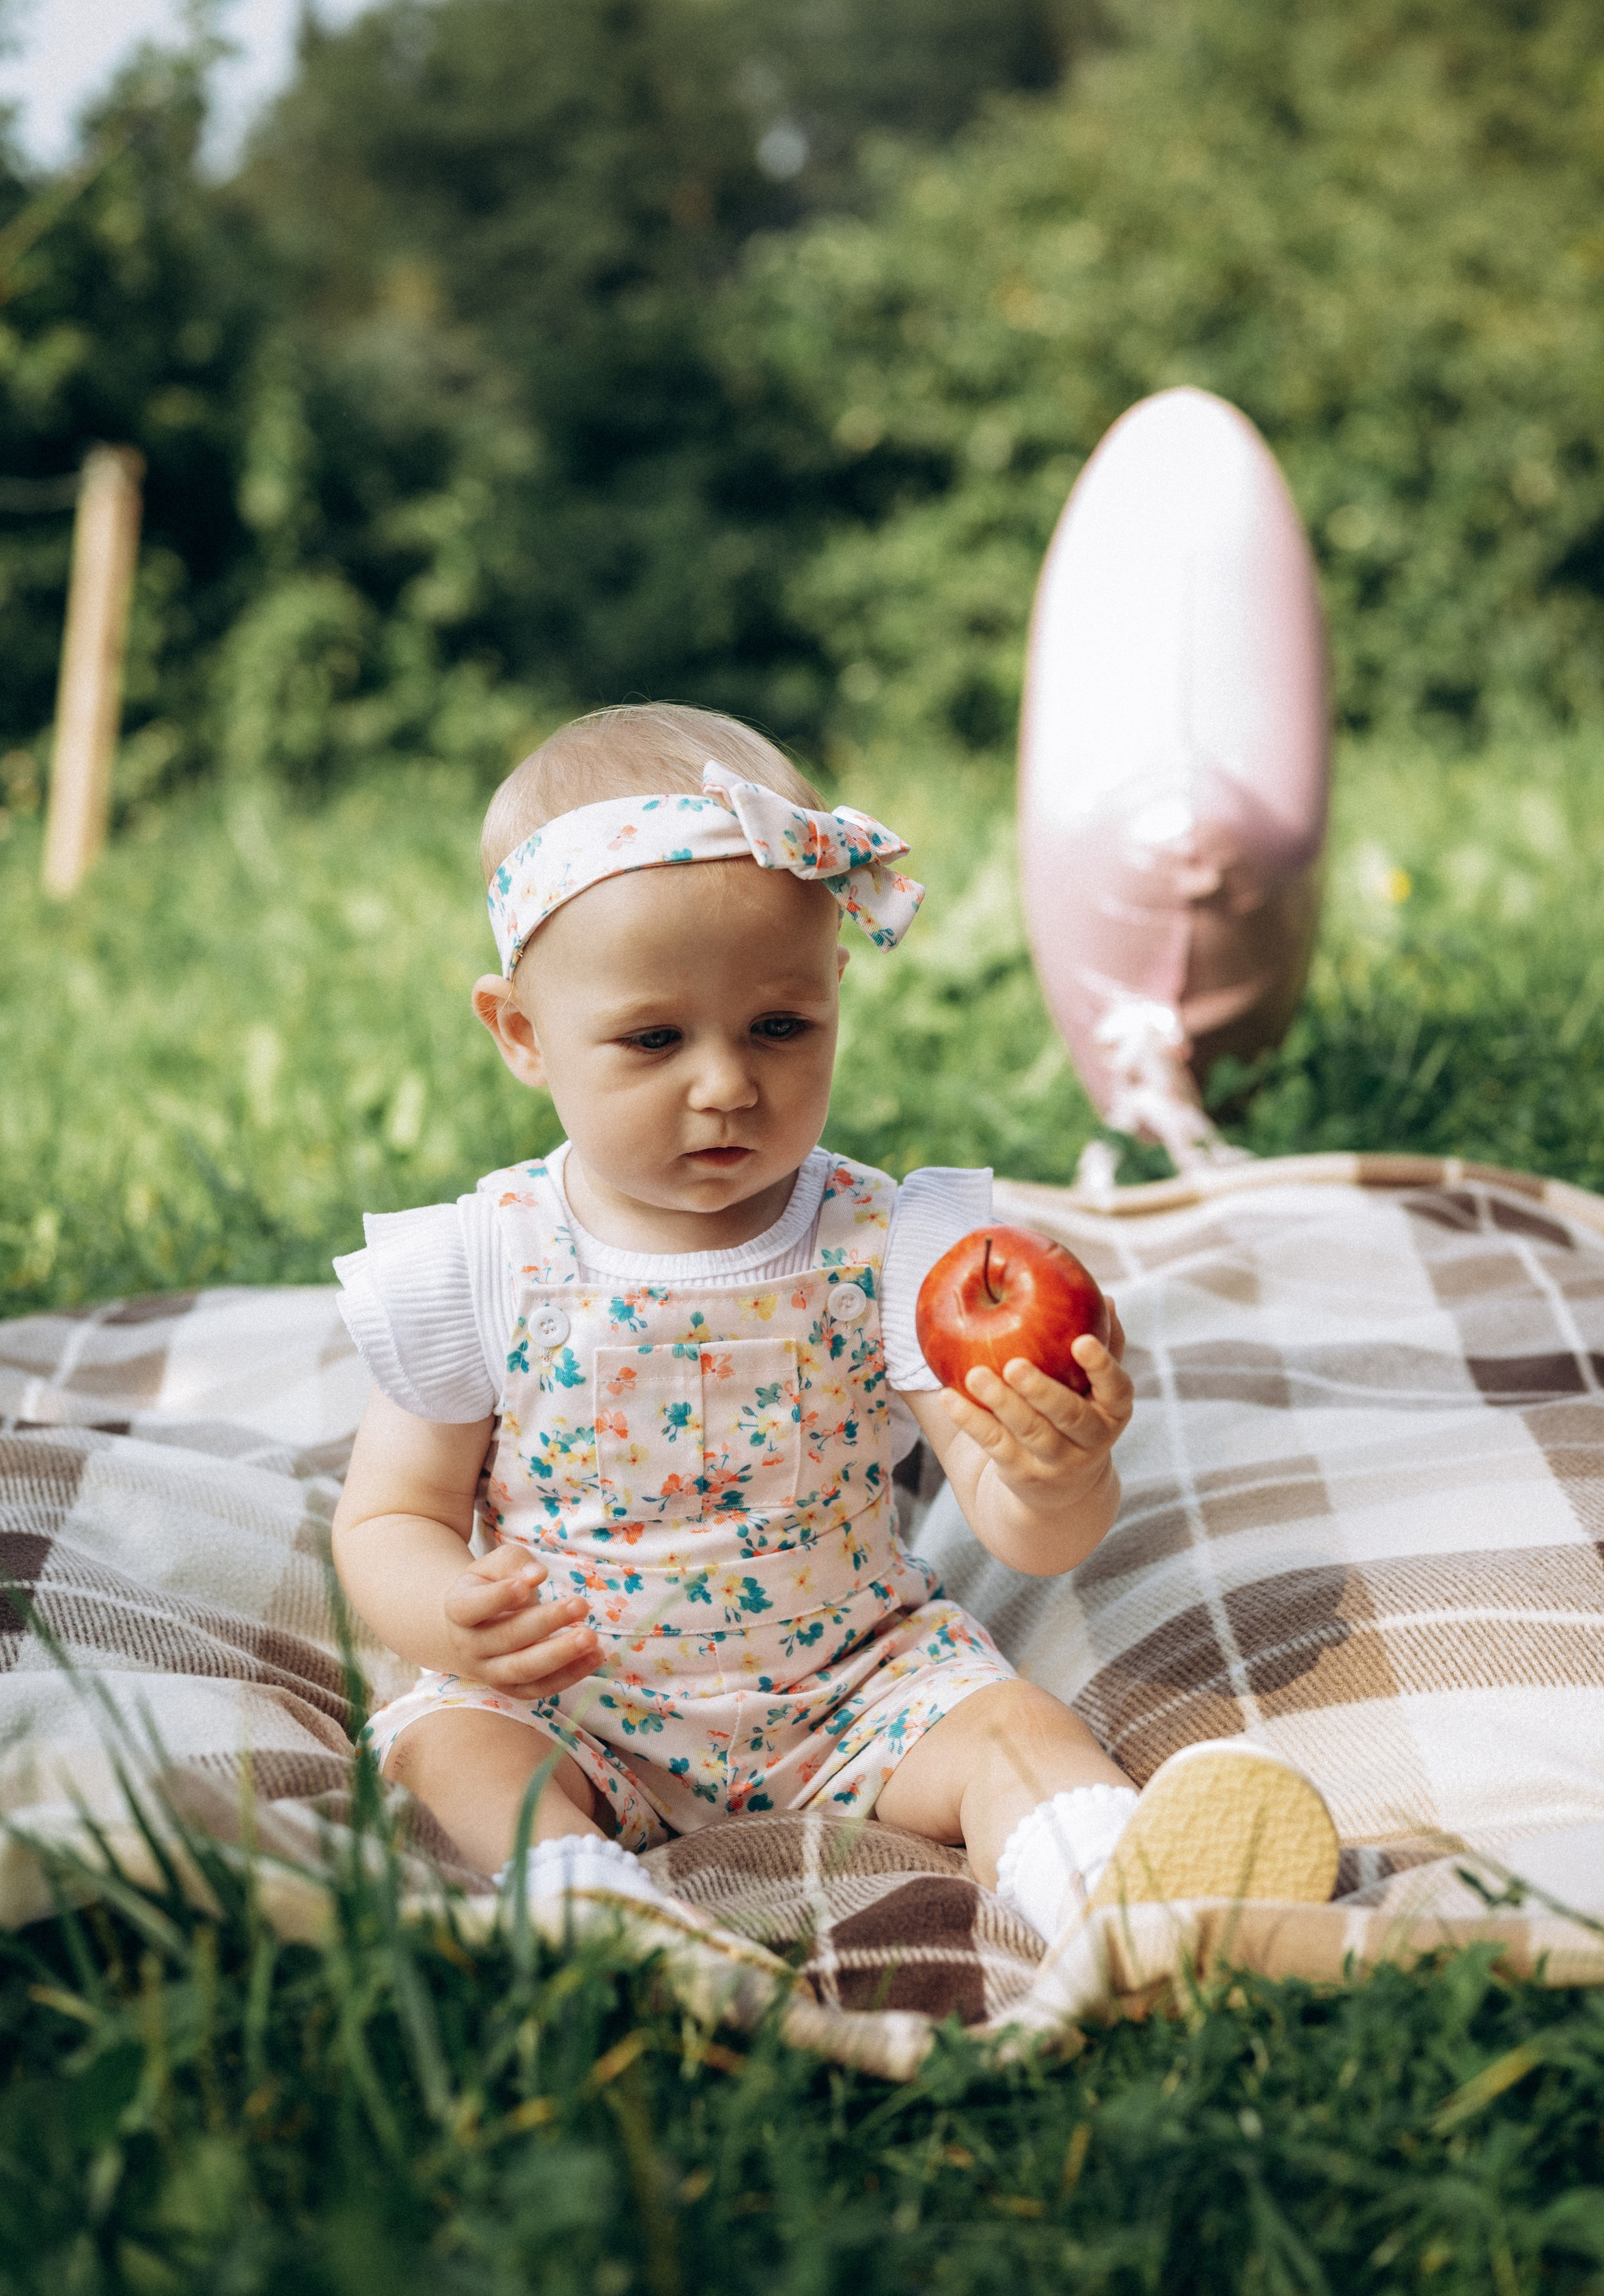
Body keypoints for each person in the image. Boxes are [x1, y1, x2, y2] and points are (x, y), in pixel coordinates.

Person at [331, 702, 1338, 1956]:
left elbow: (1022, 1536)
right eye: (653, 1039)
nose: (726, 1083)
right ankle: (595, 1912)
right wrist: (447, 1610)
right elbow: (389, 1517)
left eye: (780, 1026)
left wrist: (1056, 1466)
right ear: (523, 1035)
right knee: (457, 1749)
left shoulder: (893, 1245)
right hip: (577, 1702)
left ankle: (1125, 1892)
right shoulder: (481, 1260)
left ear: (836, 991)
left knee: (1015, 1726)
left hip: (859, 1689)